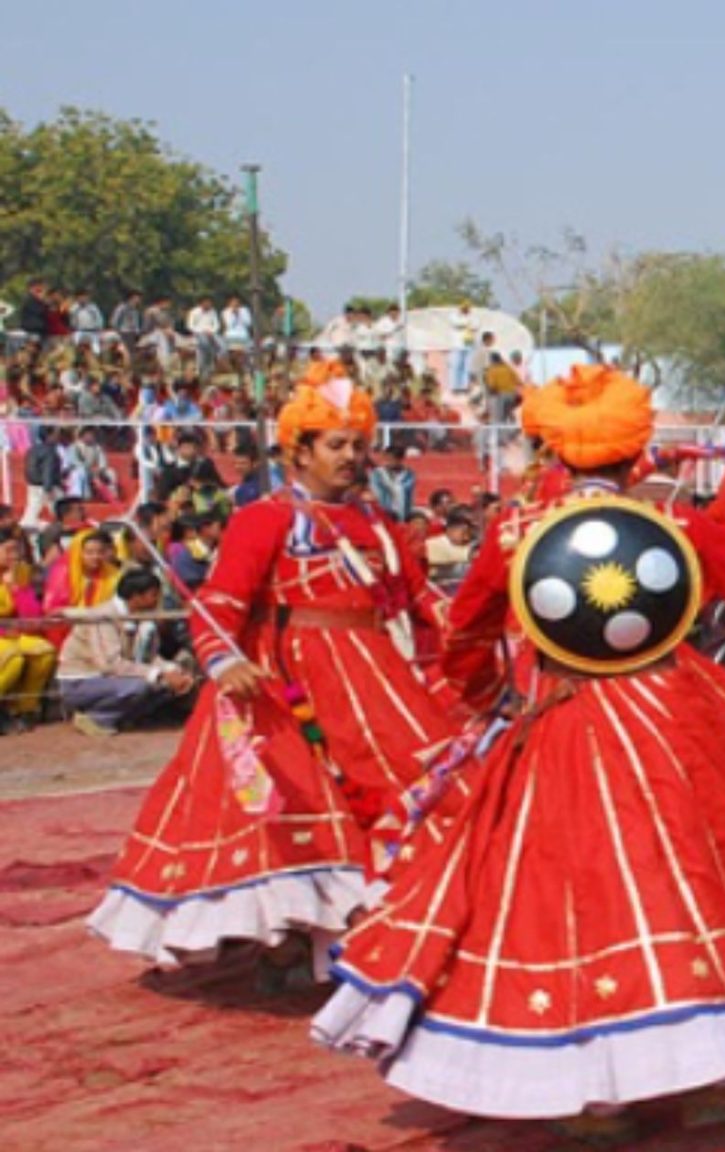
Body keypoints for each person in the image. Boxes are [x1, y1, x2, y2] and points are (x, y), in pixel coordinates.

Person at [314, 364, 725, 1125]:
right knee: (693, 877)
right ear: (634, 453)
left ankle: (587, 1093)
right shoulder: (673, 525)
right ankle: (713, 1071)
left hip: (560, 722)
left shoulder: (517, 531)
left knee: (566, 893)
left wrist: (487, 700)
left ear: (554, 451)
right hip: (670, 724)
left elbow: (467, 634)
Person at [88, 361, 457, 980]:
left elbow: (423, 600)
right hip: (288, 688)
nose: (351, 457)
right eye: (336, 445)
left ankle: (378, 937)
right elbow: (220, 603)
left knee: (420, 789)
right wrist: (223, 659)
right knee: (300, 810)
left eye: (359, 446)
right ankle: (297, 942)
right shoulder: (267, 518)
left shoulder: (376, 523)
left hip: (377, 682)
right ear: (299, 451)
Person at [56, 566, 197, 735]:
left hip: (116, 677)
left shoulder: (142, 616)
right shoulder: (104, 617)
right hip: (83, 681)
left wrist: (172, 671)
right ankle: (98, 717)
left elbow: (149, 658)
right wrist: (159, 675)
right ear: (137, 597)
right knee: (143, 685)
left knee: (176, 680)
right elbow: (110, 665)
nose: (157, 600)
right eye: (153, 595)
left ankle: (123, 717)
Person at [0, 532, 56, 732]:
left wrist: (15, 588)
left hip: (16, 632)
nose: (14, 555)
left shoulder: (22, 574)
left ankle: (25, 708)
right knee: (13, 658)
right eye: (8, 550)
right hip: (3, 634)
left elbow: (32, 614)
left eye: (17, 550)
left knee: (44, 651)